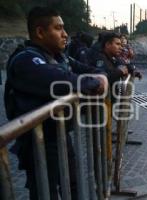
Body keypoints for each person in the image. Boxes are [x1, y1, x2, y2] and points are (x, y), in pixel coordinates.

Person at [4, 7, 108, 200]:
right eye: (58, 28)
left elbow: (89, 69)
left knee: (74, 184)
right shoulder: (25, 60)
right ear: (40, 32)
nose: (65, 33)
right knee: (45, 191)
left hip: (58, 133)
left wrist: (100, 76)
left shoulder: (59, 57)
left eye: (64, 28)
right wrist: (95, 82)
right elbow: (62, 81)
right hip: (38, 141)